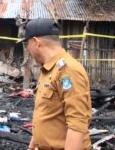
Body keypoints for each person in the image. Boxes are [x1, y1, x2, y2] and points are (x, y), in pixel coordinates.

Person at [18, 18, 92, 150]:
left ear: (36, 42)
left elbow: (77, 123)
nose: (27, 49)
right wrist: (32, 146)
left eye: (27, 44)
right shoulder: (48, 70)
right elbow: (45, 115)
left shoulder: (68, 70)